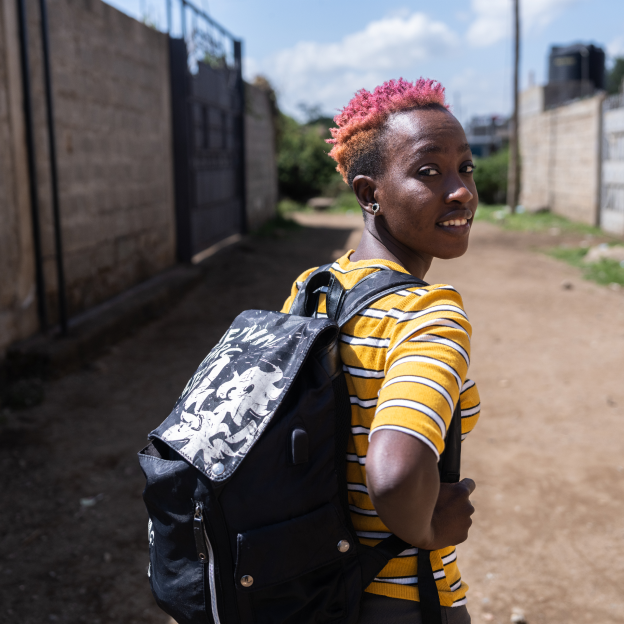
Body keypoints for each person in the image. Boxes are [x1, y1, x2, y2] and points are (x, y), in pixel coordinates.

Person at [281, 78, 481, 624]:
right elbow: (393, 474)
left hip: (309, 587)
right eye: (428, 171)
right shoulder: (430, 313)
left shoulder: (313, 287)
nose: (461, 190)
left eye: (465, 167)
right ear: (370, 194)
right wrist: (424, 529)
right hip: (400, 598)